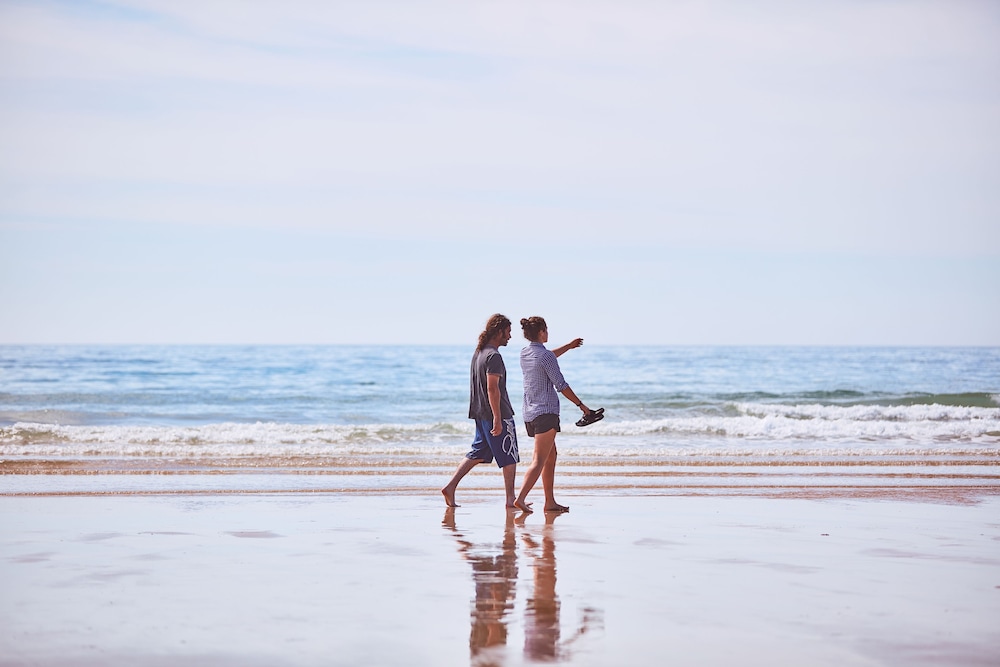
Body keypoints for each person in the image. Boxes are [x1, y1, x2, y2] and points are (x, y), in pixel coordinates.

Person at [514, 316, 594, 513]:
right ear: (541, 332)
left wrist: (568, 346)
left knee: (551, 457)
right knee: (539, 460)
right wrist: (582, 406)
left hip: (530, 414)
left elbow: (547, 357)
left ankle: (549, 502)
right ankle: (520, 499)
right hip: (546, 413)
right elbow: (561, 385)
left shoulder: (525, 353)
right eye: (546, 329)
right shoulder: (545, 356)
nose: (548, 332)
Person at [442, 314, 520, 508]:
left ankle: (450, 487)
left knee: (478, 453)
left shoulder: (479, 353)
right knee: (509, 455)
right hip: (496, 413)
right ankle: (511, 499)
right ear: (499, 331)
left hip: (480, 413)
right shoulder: (493, 356)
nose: (510, 337)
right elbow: (492, 388)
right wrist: (497, 418)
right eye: (508, 332)